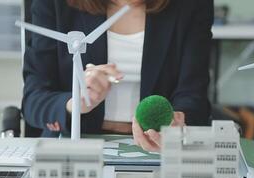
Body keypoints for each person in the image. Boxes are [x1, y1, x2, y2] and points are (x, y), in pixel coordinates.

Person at [23, 0, 213, 152]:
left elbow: (193, 96)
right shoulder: (54, 4)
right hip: (74, 146)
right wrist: (76, 102)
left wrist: (176, 123)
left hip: (158, 150)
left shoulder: (191, 5)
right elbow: (33, 100)